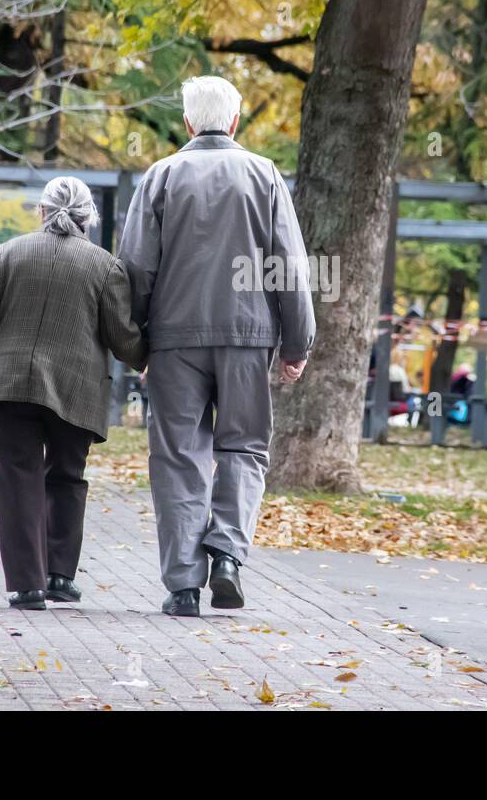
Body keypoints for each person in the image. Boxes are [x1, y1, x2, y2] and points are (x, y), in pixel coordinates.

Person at [119, 75, 315, 618]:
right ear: (234, 122)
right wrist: (296, 342)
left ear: (187, 123)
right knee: (244, 448)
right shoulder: (265, 175)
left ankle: (183, 586)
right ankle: (227, 554)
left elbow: (135, 269)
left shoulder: (160, 177)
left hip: (174, 341)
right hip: (248, 338)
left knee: (179, 457)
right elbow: (288, 268)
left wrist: (139, 347)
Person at [0, 177, 146, 610]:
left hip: (9, 385)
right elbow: (122, 337)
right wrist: (149, 361)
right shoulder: (105, 266)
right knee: (67, 476)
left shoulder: (5, 255)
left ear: (41, 212)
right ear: (89, 219)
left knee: (17, 480)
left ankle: (28, 586)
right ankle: (60, 575)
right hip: (76, 390)